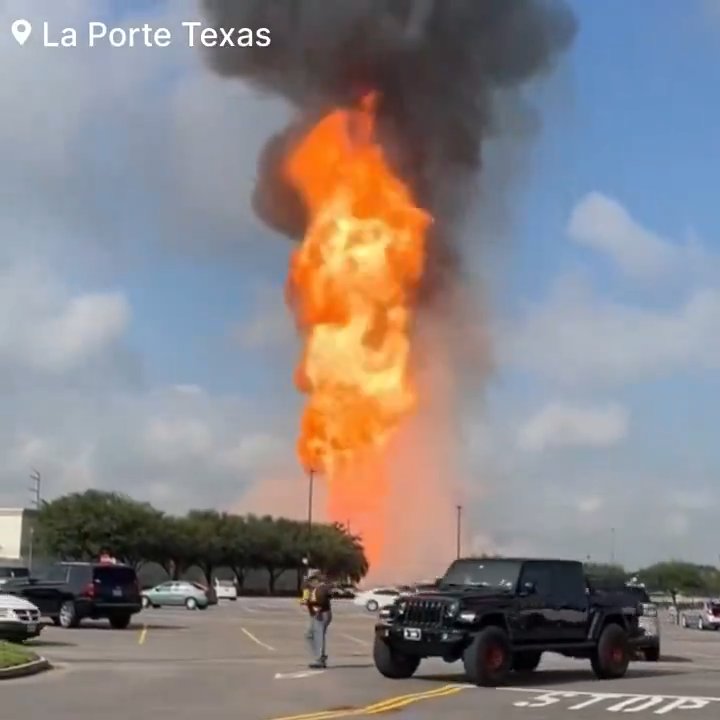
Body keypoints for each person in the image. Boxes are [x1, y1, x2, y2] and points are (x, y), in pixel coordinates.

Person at [305, 571, 332, 669]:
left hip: (321, 614)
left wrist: (317, 612)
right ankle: (320, 656)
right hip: (317, 613)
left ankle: (320, 659)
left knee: (318, 636)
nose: (310, 582)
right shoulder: (316, 589)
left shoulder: (321, 589)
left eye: (311, 580)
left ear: (316, 579)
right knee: (309, 635)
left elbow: (321, 602)